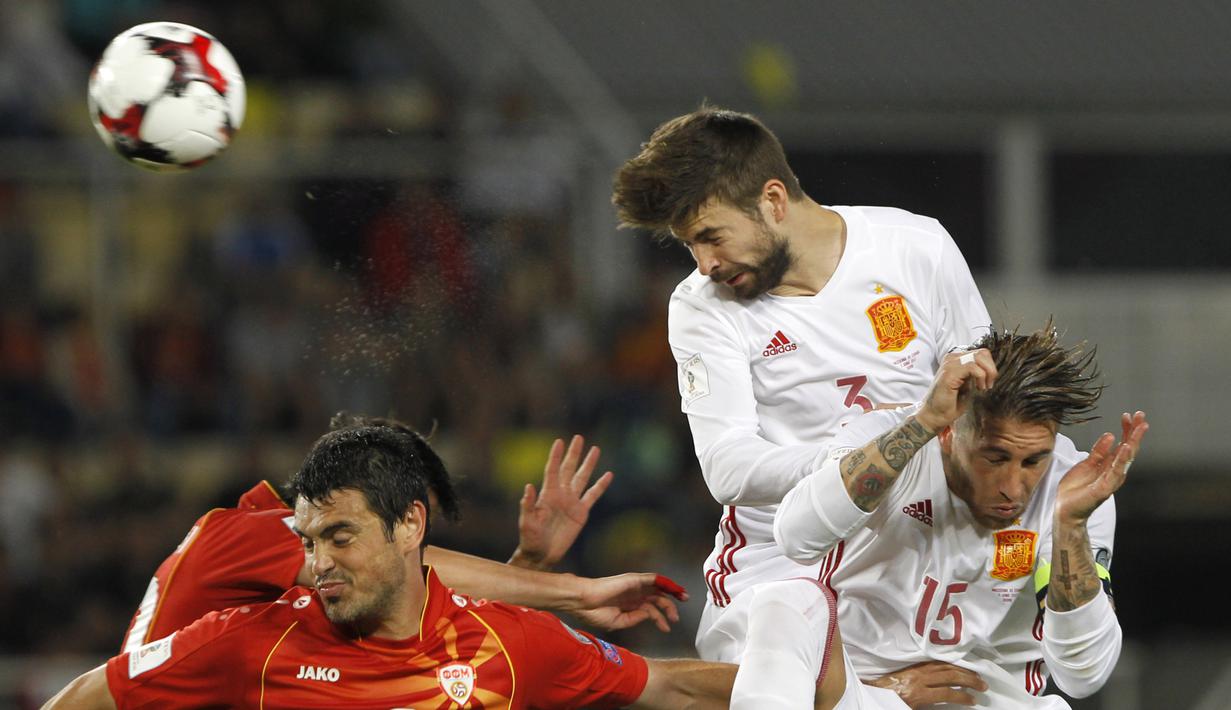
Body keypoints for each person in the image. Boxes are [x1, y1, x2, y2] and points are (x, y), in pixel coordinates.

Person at [44, 422, 852, 709]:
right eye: (308, 537)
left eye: (337, 537)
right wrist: (567, 586)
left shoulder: (504, 649)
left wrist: (817, 689)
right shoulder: (245, 631)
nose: (317, 560)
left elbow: (667, 685)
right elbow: (92, 693)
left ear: (409, 524)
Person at [612, 106, 991, 706]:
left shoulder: (917, 248)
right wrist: (861, 460)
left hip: (909, 556)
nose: (705, 263)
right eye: (689, 245)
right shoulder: (701, 306)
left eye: (711, 236)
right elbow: (728, 469)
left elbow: (984, 409)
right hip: (778, 563)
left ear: (773, 200)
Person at [774, 325, 1148, 708]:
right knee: (776, 608)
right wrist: (922, 423)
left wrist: (1069, 526)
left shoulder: (1073, 488)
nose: (1013, 489)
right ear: (950, 432)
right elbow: (795, 537)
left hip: (993, 698)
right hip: (860, 689)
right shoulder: (884, 441)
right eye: (994, 458)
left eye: (1034, 461)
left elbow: (1084, 674)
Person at [122, 417, 683, 653]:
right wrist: (574, 591)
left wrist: (527, 563)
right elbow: (411, 573)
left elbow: (428, 610)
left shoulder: (283, 568)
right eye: (407, 526)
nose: (412, 543)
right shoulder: (249, 535)